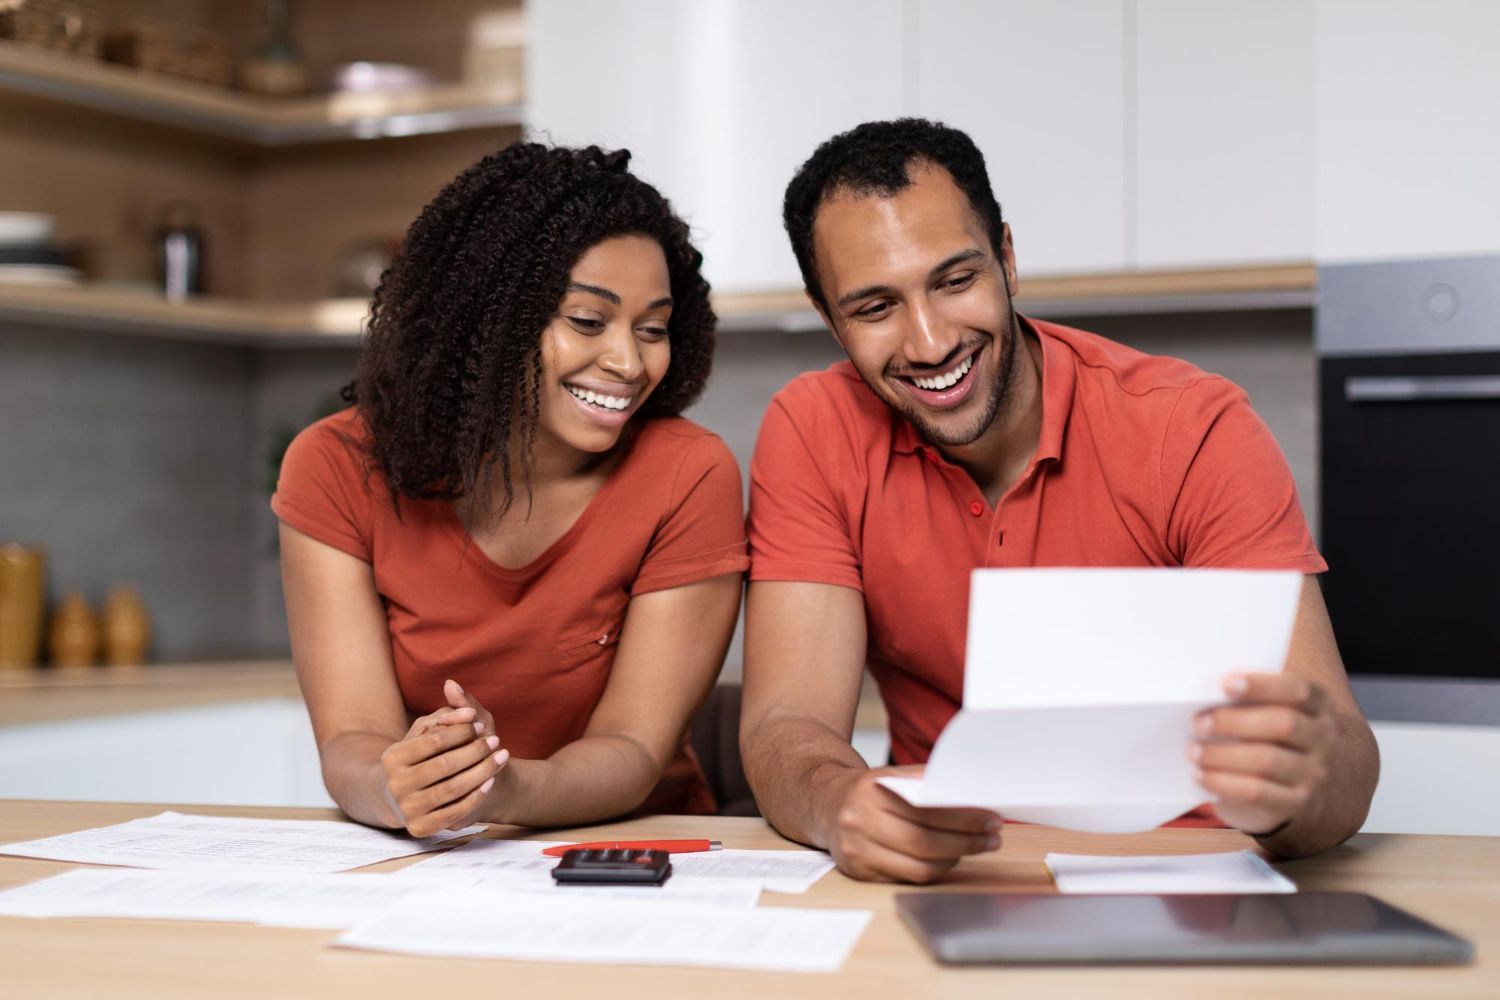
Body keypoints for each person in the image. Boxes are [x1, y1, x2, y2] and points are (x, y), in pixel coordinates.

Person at [740, 118, 1379, 883]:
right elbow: (788, 724)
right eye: (875, 308)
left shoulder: (1192, 426)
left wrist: (1298, 784)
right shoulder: (813, 431)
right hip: (956, 876)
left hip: (1197, 873)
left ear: (1008, 260)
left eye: (955, 280)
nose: (930, 341)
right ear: (828, 317)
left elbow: (1340, 753)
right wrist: (835, 801)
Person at [273, 143, 747, 838]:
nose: (627, 361)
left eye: (653, 329)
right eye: (587, 320)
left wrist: (507, 788)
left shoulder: (687, 475)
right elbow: (353, 741)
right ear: (486, 317)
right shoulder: (335, 466)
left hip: (635, 853)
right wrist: (397, 786)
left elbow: (634, 749)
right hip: (430, 862)